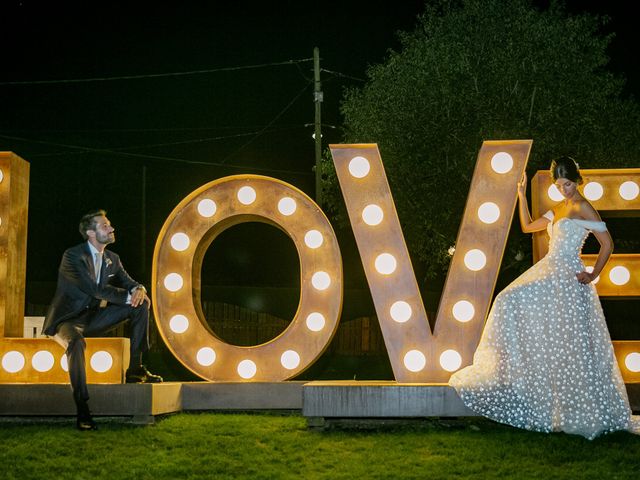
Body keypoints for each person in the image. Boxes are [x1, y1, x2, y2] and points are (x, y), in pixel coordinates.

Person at [449, 157, 639, 439]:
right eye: (560, 185)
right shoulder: (560, 208)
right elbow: (527, 226)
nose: (565, 189)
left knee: (564, 340)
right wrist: (520, 194)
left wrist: (592, 274)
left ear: (578, 180)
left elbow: (608, 244)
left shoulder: (584, 207)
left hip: (567, 275)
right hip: (549, 269)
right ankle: (511, 379)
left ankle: (581, 411)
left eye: (569, 184)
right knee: (510, 303)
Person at [43, 209, 162, 431]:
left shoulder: (112, 259)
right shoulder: (72, 256)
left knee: (141, 304)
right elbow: (94, 289)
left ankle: (135, 369)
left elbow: (129, 282)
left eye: (110, 225)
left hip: (94, 318)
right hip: (67, 321)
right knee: (76, 343)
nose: (111, 228)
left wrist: (139, 289)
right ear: (90, 232)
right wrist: (130, 295)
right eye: (105, 226)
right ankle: (82, 406)